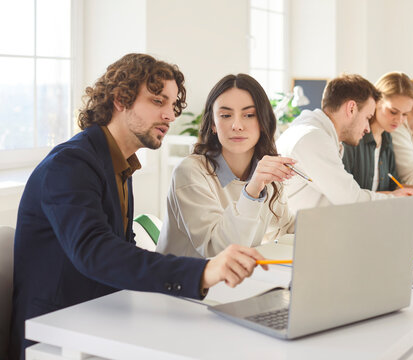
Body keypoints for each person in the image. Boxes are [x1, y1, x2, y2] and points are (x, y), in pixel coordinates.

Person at [8, 54, 267, 360]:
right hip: (55, 336)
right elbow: (97, 253)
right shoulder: (71, 165)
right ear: (121, 100)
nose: (170, 115)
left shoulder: (118, 164)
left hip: (102, 319)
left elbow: (123, 251)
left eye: (172, 105)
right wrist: (202, 272)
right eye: (158, 101)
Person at [157, 74, 295, 258]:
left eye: (249, 115)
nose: (237, 125)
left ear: (263, 122)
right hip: (186, 283)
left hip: (236, 283)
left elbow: (287, 226)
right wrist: (252, 191)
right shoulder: (190, 172)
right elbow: (217, 251)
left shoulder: (263, 171)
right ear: (213, 124)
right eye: (226, 115)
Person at [275, 74, 413, 213]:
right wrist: (410, 204)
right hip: (296, 239)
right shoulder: (311, 138)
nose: (368, 128)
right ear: (351, 109)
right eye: (368, 117)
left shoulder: (320, 134)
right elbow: (351, 200)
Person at [342, 72, 413, 204]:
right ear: (376, 102)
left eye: (405, 114)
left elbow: (393, 185)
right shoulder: (352, 139)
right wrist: (410, 200)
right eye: (393, 112)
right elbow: (350, 196)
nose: (399, 120)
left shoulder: (387, 138)